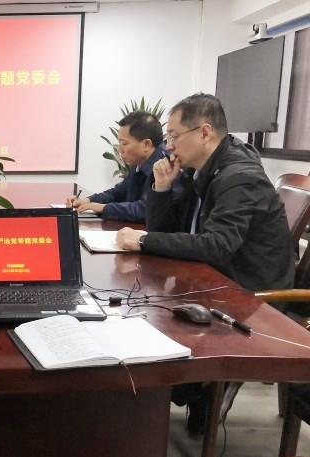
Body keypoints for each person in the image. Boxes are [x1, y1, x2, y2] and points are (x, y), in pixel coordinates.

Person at [115, 93, 294, 435]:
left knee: (153, 310)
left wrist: (143, 241)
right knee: (146, 302)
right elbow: (167, 230)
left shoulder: (239, 176)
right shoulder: (199, 171)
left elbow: (216, 245)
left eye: (174, 136)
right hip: (215, 276)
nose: (168, 146)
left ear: (205, 133)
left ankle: (196, 388)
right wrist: (162, 187)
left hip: (251, 292)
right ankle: (187, 390)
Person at [66, 110, 165, 223]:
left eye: (124, 143)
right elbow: (118, 192)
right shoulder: (139, 162)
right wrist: (87, 200)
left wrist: (103, 208)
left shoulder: (165, 167)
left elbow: (144, 210)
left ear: (146, 144)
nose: (119, 150)